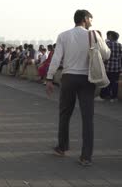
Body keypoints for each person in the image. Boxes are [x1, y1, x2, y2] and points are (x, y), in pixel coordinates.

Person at [46, 10, 110, 166]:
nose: (91, 22)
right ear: (85, 19)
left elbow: (56, 58)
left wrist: (49, 77)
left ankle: (62, 147)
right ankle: (86, 157)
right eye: (90, 19)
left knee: (64, 114)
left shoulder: (63, 35)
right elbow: (106, 54)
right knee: (87, 118)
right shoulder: (94, 35)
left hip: (68, 78)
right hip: (87, 79)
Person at [100, 31, 122, 102]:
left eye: (108, 35)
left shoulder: (107, 44)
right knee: (115, 83)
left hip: (107, 67)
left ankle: (104, 96)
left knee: (105, 82)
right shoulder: (120, 45)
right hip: (117, 68)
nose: (107, 36)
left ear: (111, 36)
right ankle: (113, 97)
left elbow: (103, 55)